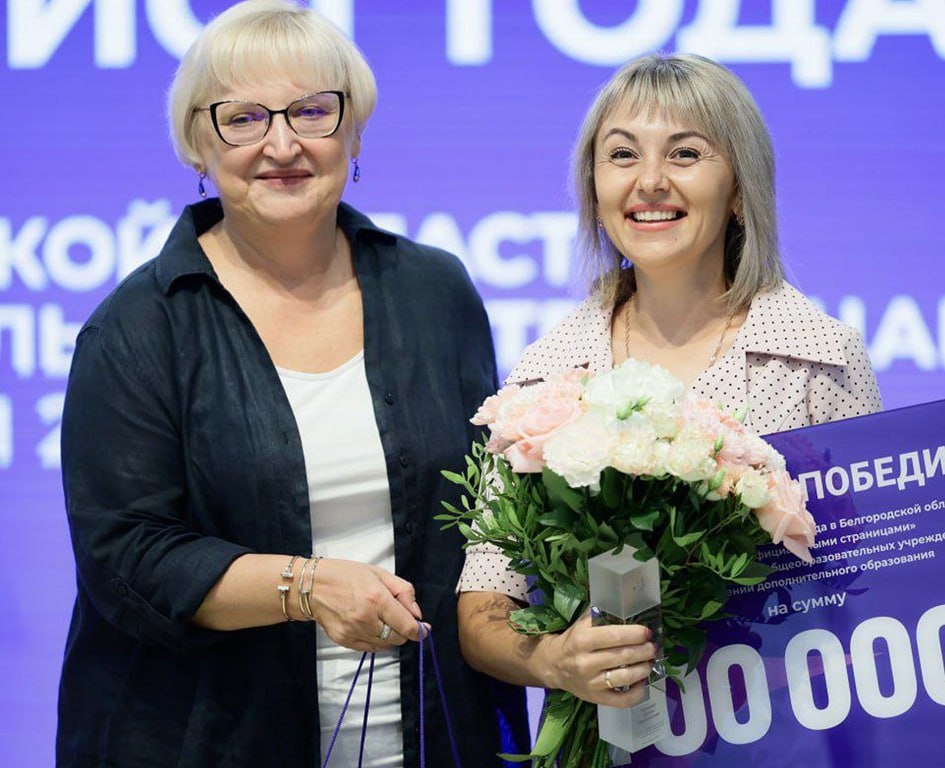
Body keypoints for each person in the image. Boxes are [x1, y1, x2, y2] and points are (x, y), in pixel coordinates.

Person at [56, 1, 527, 766]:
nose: (282, 144)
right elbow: (127, 558)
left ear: (353, 131)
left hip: (432, 735)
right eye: (243, 118)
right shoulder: (139, 326)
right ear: (198, 144)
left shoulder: (434, 291)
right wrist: (306, 587)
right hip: (209, 742)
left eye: (312, 111)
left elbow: (487, 516)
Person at [457, 53, 882, 711]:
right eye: (622, 155)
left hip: (781, 732)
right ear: (594, 190)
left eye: (685, 154)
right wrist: (553, 661)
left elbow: (877, 588)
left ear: (738, 190)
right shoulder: (546, 379)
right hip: (601, 737)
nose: (650, 182)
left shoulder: (819, 359)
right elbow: (484, 603)